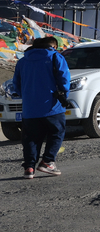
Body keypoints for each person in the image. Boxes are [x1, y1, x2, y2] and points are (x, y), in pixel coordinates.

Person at [11, 36, 70, 179]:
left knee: (30, 138)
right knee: (57, 132)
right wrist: (64, 95)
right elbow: (64, 78)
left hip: (30, 109)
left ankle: (29, 168)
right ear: (53, 46)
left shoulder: (23, 61)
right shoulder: (56, 57)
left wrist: (26, 95)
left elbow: (16, 84)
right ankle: (48, 161)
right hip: (51, 105)